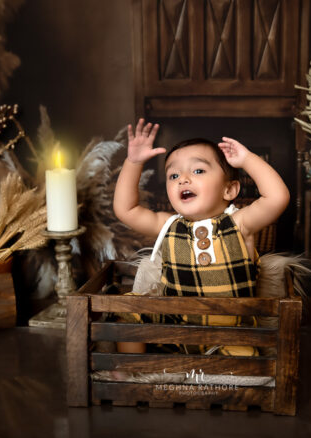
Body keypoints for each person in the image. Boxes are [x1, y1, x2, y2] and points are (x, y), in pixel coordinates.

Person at [112, 119, 290, 354]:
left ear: (229, 189)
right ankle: (132, 369)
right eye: (173, 175)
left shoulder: (239, 223)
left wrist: (248, 160)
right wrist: (133, 163)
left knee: (243, 357)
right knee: (128, 309)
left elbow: (277, 197)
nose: (183, 179)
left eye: (198, 171)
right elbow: (126, 210)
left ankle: (215, 371)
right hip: (172, 326)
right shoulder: (168, 225)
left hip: (229, 334)